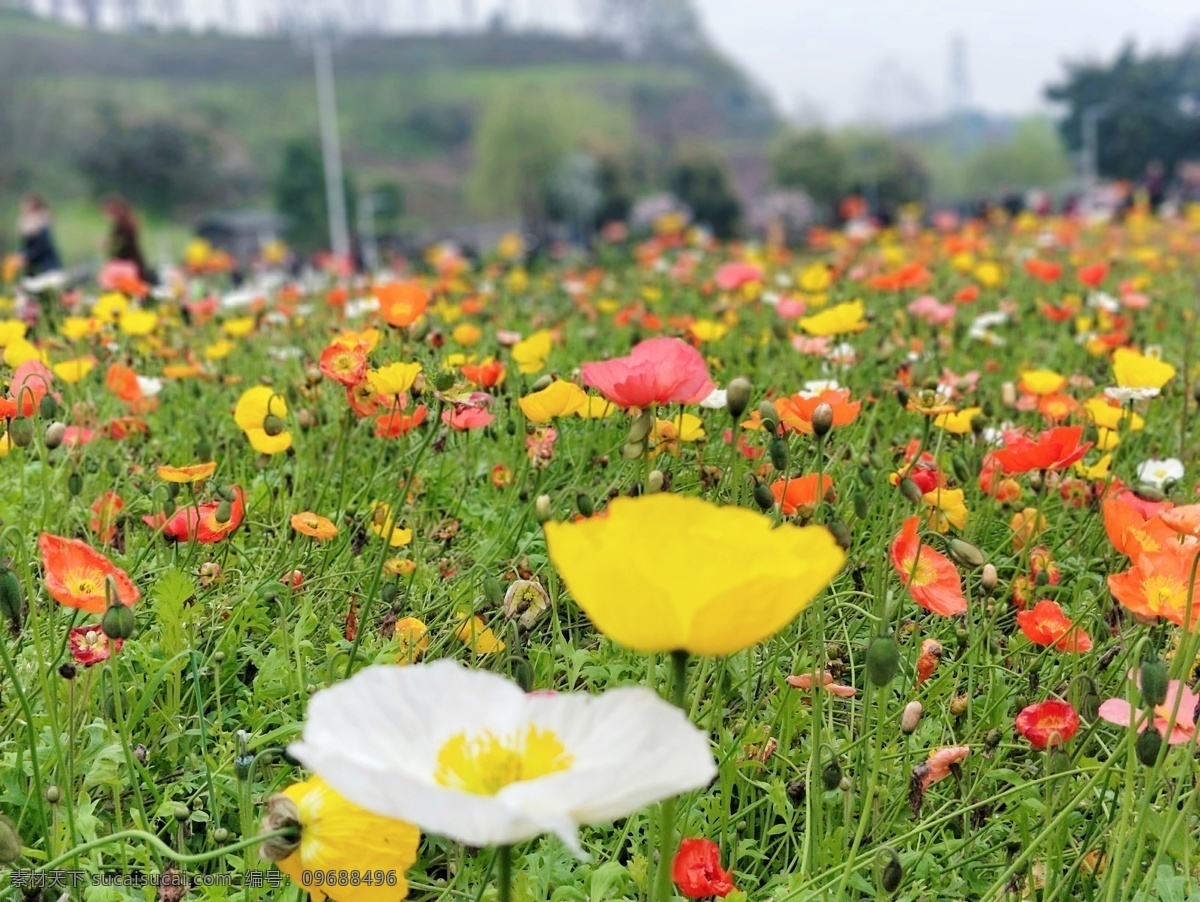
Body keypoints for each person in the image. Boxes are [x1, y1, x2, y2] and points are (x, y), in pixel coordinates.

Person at [103, 196, 153, 284]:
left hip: (125, 265)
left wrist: (108, 243)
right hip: (133, 262)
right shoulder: (128, 222)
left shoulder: (122, 225)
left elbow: (121, 244)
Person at [17, 194, 62, 278]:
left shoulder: (43, 224)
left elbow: (42, 247)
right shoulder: (26, 225)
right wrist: (21, 255)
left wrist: (27, 256)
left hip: (47, 266)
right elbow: (25, 245)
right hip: (32, 268)